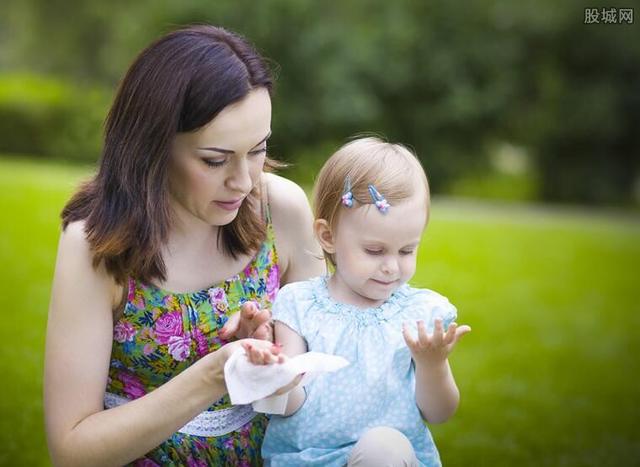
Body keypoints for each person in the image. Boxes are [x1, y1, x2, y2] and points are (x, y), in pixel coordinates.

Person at [43, 25, 324, 466]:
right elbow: (72, 451)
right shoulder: (95, 243)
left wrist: (274, 361)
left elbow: (326, 380)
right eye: (215, 160)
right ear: (152, 145)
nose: (244, 181)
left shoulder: (280, 210)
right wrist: (216, 375)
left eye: (257, 150)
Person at [243, 137, 471, 466]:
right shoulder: (300, 305)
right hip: (309, 458)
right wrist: (276, 377)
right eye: (375, 250)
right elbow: (289, 405)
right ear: (328, 236)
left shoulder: (418, 315)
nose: (392, 266)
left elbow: (439, 413)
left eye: (407, 250)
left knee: (384, 446)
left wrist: (432, 364)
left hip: (385, 459)